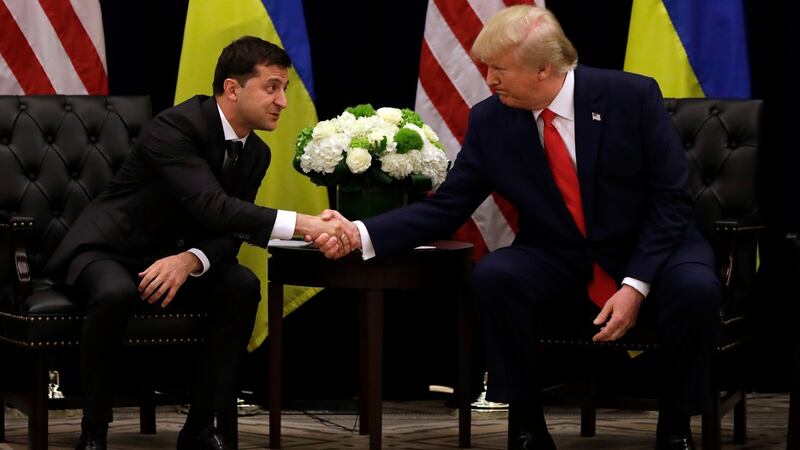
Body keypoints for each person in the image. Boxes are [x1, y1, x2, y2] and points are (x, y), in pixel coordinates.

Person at [314, 5, 719, 450]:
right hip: (560, 253)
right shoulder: (492, 119)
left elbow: (671, 200)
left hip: (653, 246)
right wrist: (360, 231)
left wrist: (636, 284)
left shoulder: (632, 97)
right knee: (497, 276)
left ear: (545, 69)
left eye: (499, 69)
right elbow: (447, 207)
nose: (489, 80)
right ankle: (526, 425)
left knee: (695, 287)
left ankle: (676, 425)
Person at [45, 36, 348, 450]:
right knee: (114, 293)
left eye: (285, 90)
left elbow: (230, 231)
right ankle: (93, 430)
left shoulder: (256, 153)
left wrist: (190, 260)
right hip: (111, 248)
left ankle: (201, 428)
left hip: (178, 255)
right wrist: (308, 225)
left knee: (241, 286)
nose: (282, 102)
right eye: (272, 87)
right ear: (233, 88)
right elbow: (213, 206)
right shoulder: (175, 126)